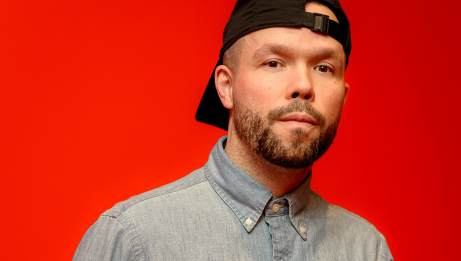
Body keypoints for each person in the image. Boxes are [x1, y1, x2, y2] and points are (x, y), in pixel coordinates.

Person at [73, 0, 393, 260]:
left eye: (324, 68)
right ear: (226, 87)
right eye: (274, 62)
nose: (303, 86)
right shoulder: (133, 239)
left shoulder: (366, 250)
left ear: (343, 98)